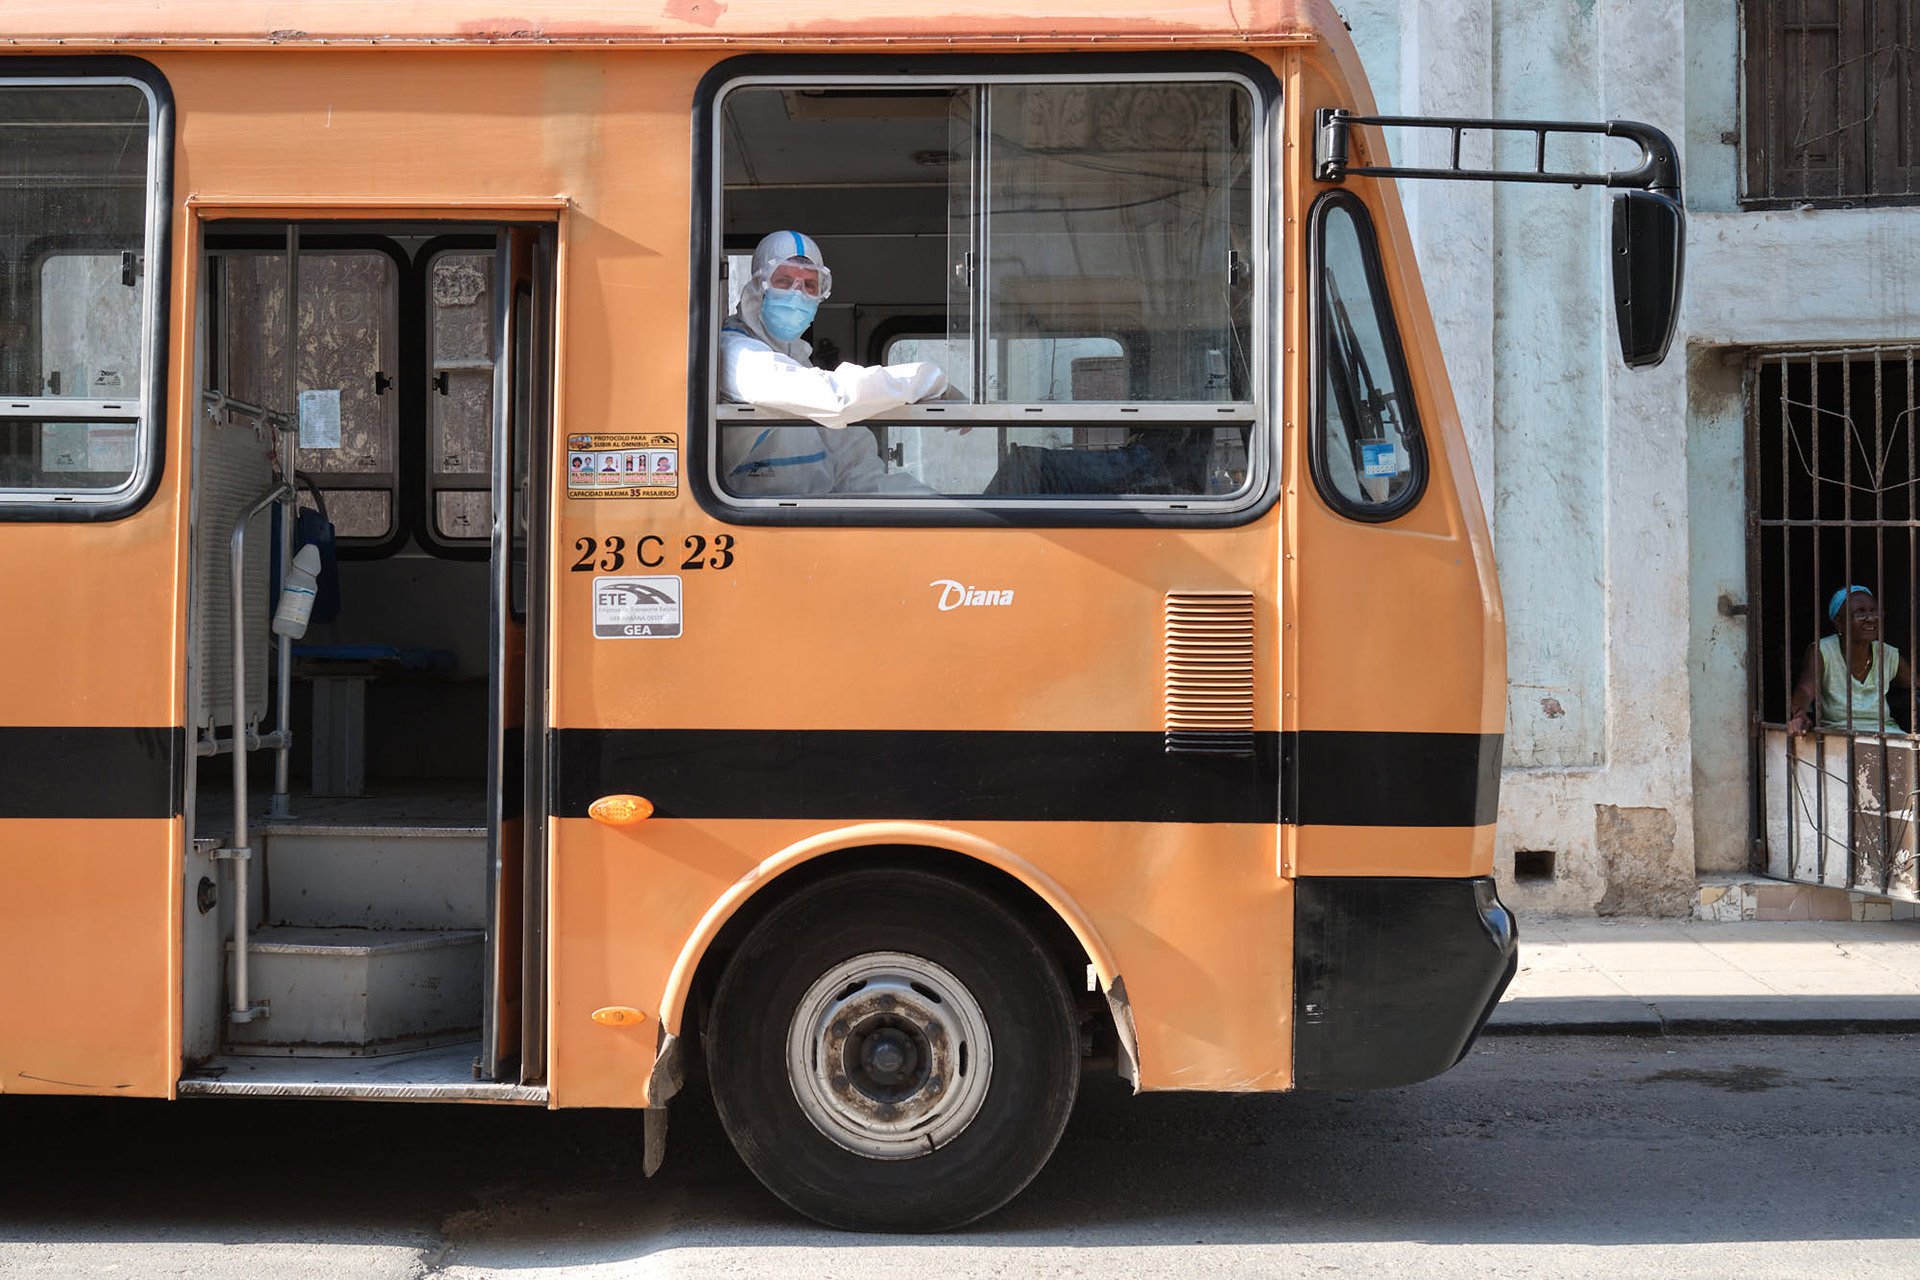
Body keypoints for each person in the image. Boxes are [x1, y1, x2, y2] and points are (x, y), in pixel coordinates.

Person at [717, 230, 947, 496]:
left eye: (810, 285)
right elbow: (835, 399)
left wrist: (948, 510)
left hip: (809, 525)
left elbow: (857, 474)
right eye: (784, 280)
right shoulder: (736, 354)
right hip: (752, 528)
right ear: (758, 286)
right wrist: (927, 379)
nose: (797, 294)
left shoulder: (798, 362)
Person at [1786, 585, 1912, 735]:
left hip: (1886, 734)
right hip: (1839, 735)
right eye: (1860, 613)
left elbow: (1912, 681)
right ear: (1839, 622)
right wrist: (1799, 714)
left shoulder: (1887, 653)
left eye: (1874, 612)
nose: (1870, 619)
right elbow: (1805, 689)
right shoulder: (1823, 651)